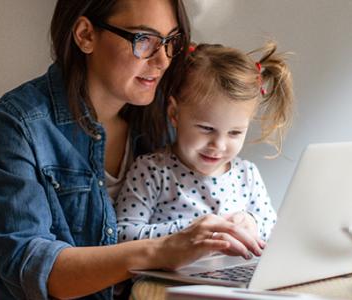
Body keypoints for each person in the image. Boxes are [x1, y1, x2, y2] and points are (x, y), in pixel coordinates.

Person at [0, 1, 265, 299]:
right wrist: (164, 249)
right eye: (144, 40)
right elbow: (28, 266)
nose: (163, 60)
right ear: (86, 35)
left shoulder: (170, 119)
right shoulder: (20, 124)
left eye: (171, 42)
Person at [115, 42, 294, 246]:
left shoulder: (247, 175)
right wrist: (192, 230)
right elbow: (123, 234)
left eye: (235, 133)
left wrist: (252, 224)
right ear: (174, 113)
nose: (218, 144)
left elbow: (272, 230)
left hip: (230, 276)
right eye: (207, 129)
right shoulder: (152, 171)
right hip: (168, 278)